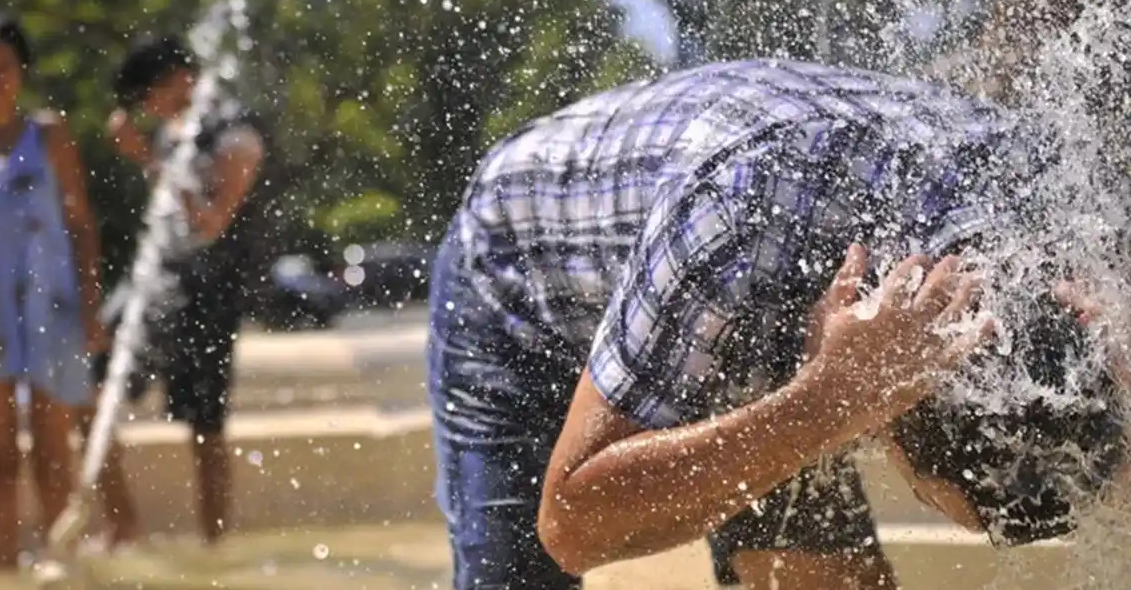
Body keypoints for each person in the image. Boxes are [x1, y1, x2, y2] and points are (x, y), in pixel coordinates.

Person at [427, 58, 1126, 589]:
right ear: (891, 408)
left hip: (759, 300)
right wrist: (824, 403)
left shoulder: (1067, 215)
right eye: (919, 487)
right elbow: (572, 524)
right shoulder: (741, 223)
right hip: (523, 272)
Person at [0, 15, 106, 569]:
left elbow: (81, 226)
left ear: (21, 71)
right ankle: (2, 573)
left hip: (50, 308)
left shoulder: (51, 135)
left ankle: (62, 567)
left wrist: (93, 307)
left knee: (54, 453)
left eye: (2, 66)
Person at [81, 35, 265, 546]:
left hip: (209, 295)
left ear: (178, 81)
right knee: (88, 383)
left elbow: (211, 223)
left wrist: (148, 160)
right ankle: (122, 524)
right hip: (156, 284)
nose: (146, 110)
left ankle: (215, 548)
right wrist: (151, 155)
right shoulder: (170, 136)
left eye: (146, 98)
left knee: (205, 429)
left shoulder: (236, 135)